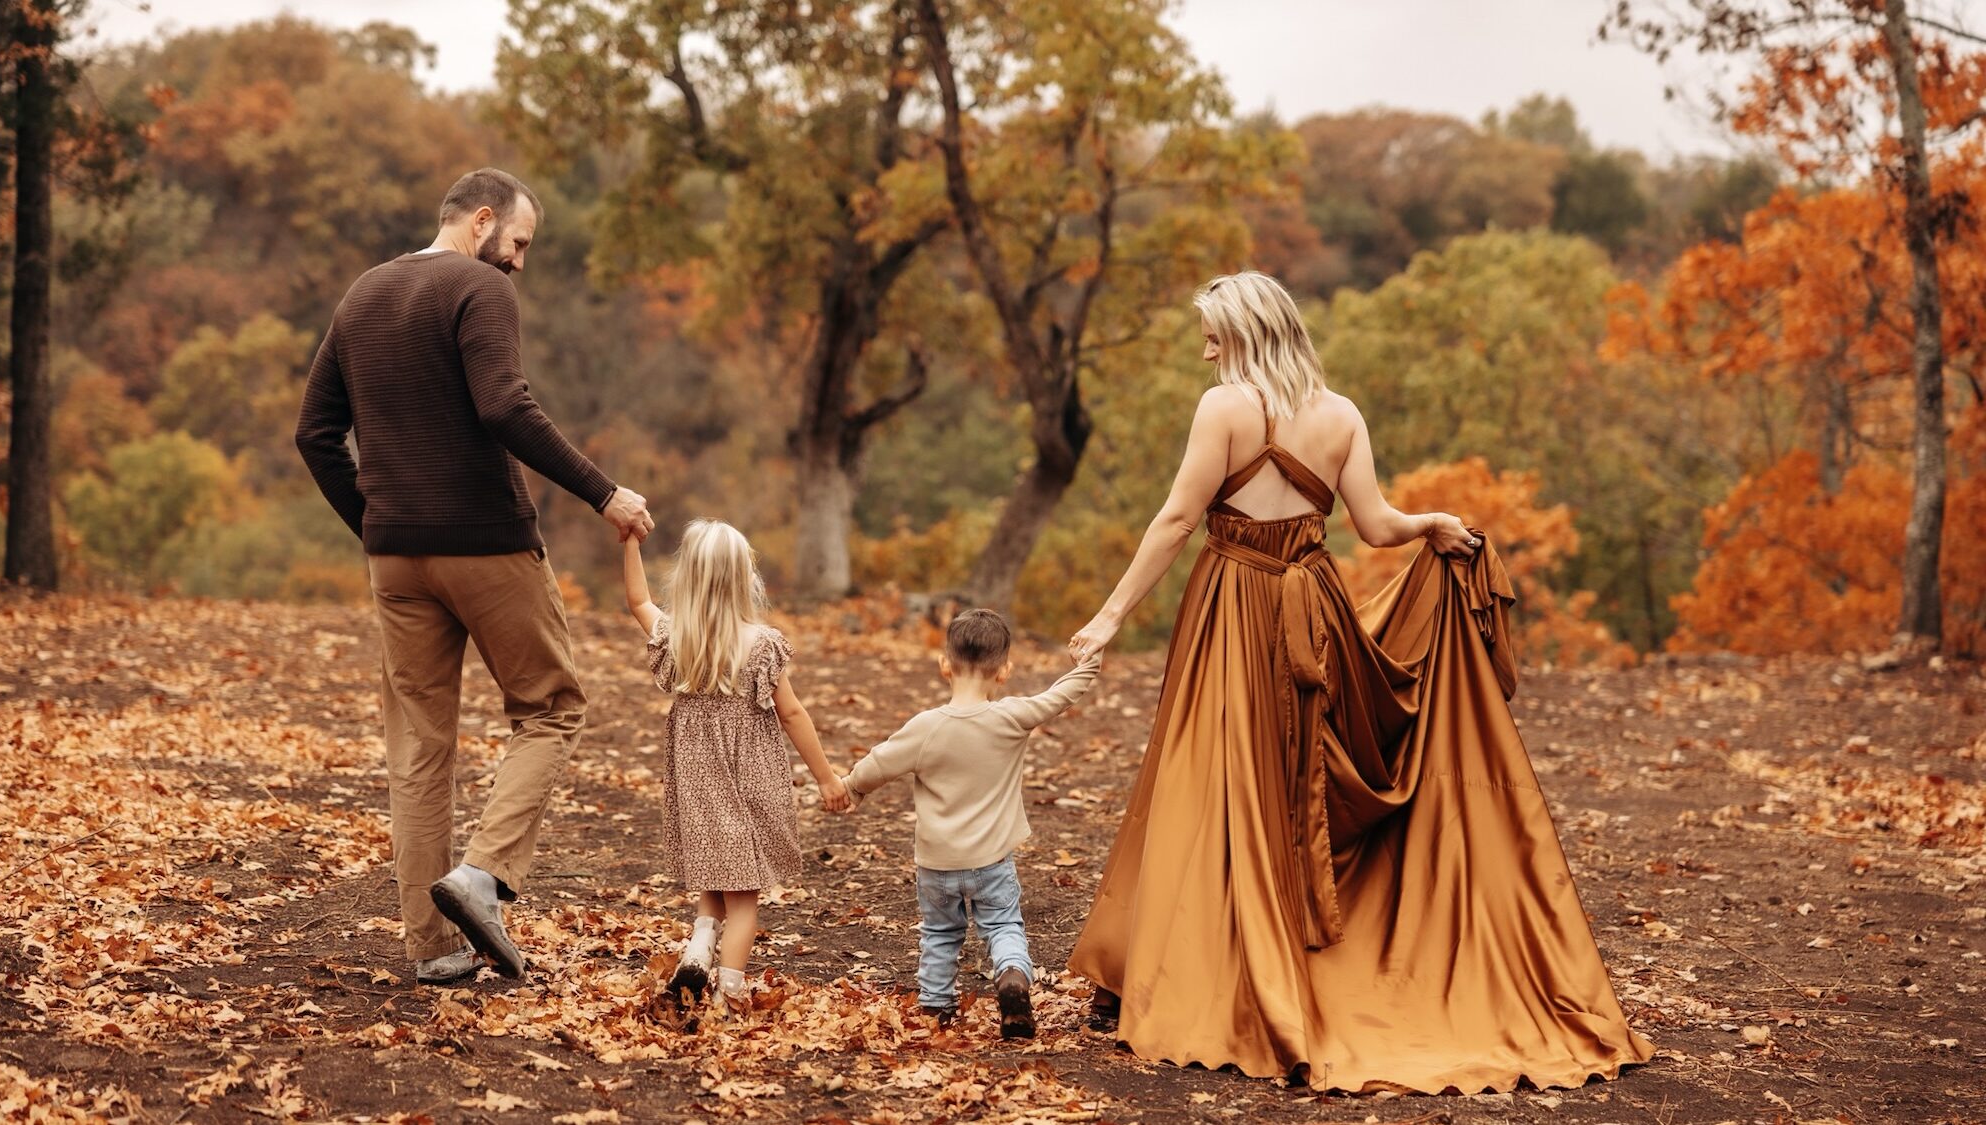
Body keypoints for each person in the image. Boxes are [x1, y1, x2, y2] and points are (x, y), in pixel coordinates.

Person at [1062, 271, 1654, 1090]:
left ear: (1247, 333)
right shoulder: (1340, 415)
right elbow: (1377, 527)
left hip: (1235, 607)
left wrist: (1111, 615)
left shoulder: (1225, 406)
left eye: (1213, 333)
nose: (1203, 349)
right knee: (1289, 772)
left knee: (1211, 780)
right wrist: (1431, 523)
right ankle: (1181, 962)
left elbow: (1175, 519)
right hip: (1314, 604)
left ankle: (1180, 975)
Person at [296, 168, 654, 985]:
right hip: (487, 544)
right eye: (519, 242)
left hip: (396, 556)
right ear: (482, 220)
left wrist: (380, 523)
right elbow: (504, 405)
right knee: (553, 706)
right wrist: (604, 493)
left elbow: (314, 434)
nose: (520, 261)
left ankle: (433, 949)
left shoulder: (362, 295)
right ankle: (481, 875)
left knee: (420, 747)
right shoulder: (476, 287)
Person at [622, 520, 852, 1007]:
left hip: (697, 787)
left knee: (714, 879)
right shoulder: (763, 643)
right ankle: (729, 992)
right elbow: (791, 713)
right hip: (751, 786)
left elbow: (639, 602)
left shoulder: (677, 637)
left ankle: (698, 951)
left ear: (688, 576)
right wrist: (826, 777)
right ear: (744, 577)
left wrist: (630, 543)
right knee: (744, 899)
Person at [841, 609, 1102, 1039]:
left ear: (945, 665)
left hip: (937, 865)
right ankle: (1013, 975)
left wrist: (851, 789)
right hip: (992, 862)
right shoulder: (1012, 717)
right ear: (1004, 672)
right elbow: (1060, 695)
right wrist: (1088, 661)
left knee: (941, 933)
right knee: (1002, 925)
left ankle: (936, 1006)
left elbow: (879, 764)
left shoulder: (925, 727)